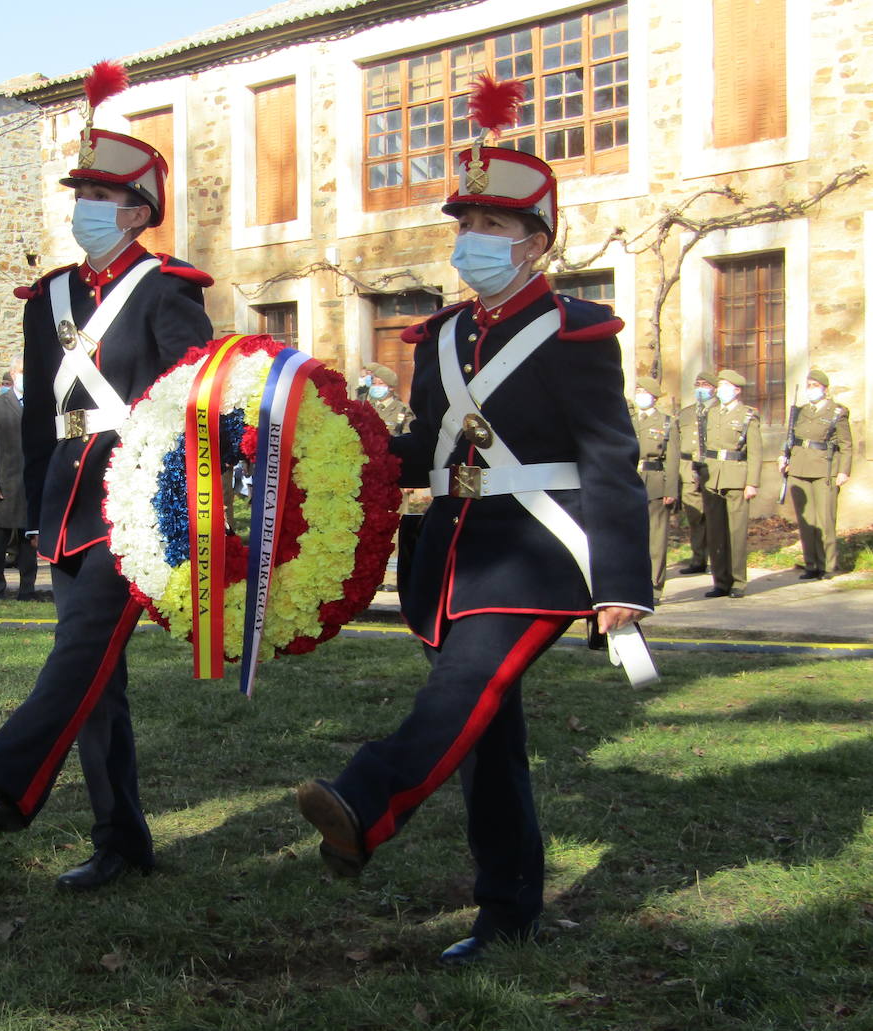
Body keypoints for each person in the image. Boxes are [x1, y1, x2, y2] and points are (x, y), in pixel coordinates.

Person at [294, 82, 651, 966]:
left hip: (538, 552)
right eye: (467, 222)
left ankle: (364, 804)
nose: (472, 241)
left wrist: (622, 585)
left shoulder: (576, 332)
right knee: (491, 743)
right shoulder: (443, 336)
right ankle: (509, 910)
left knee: (457, 693)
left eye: (494, 227)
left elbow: (610, 457)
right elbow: (426, 450)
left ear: (535, 243)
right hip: (453, 552)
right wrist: (335, 450)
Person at [0, 74, 215, 893]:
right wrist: (37, 506)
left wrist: (180, 509)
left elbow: (191, 400)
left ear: (137, 208)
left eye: (99, 193)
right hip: (68, 499)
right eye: (78, 190)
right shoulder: (46, 295)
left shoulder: (169, 290)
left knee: (80, 651)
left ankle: (4, 786)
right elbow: (50, 414)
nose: (82, 205)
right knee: (99, 680)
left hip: (138, 496)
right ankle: (121, 840)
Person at [780, 369, 853, 579]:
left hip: (825, 470)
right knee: (807, 521)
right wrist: (783, 457)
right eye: (808, 385)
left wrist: (843, 471)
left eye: (815, 386)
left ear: (825, 389)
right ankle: (811, 564)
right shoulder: (800, 412)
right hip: (799, 469)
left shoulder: (837, 412)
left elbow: (846, 445)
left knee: (825, 520)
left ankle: (828, 565)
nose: (811, 390)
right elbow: (790, 439)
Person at [0, 357, 38, 600]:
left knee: (28, 543)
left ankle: (27, 589)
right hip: (4, 485)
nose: (25, 375)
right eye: (22, 371)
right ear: (13, 374)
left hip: (30, 487)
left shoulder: (40, 403)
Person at [700, 369, 762, 599]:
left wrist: (752, 483)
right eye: (720, 385)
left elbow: (755, 452)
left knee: (735, 533)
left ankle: (738, 581)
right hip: (713, 477)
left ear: (737, 390)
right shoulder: (711, 413)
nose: (721, 389)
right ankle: (720, 581)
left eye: (726, 385)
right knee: (716, 533)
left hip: (736, 478)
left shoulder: (747, 416)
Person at [632, 376, 678, 604]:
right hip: (631, 480)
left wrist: (671, 489)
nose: (640, 395)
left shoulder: (666, 422)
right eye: (637, 390)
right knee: (632, 536)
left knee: (656, 537)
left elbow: (673, 459)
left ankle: (655, 585)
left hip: (656, 481)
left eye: (644, 392)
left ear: (653, 396)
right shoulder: (628, 420)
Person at [676, 370, 718, 574]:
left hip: (710, 467)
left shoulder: (719, 411)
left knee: (713, 516)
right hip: (687, 468)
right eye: (697, 383)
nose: (700, 387)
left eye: (705, 384)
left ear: (714, 388)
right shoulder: (686, 413)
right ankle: (698, 558)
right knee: (694, 516)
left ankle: (715, 559)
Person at [364, 362, 414, 434]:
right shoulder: (366, 408)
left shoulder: (403, 410)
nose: (376, 387)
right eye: (373, 383)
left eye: (381, 383)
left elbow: (407, 438)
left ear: (391, 387)